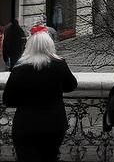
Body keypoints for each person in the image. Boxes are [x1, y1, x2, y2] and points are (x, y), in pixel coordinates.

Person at [2, 26, 77, 161]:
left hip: (25, 125)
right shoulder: (60, 65)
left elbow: (8, 99)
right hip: (54, 124)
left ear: (29, 46)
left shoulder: (19, 68)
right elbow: (71, 85)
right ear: (50, 45)